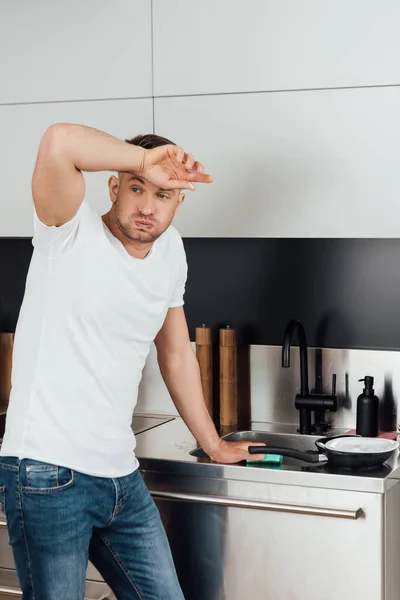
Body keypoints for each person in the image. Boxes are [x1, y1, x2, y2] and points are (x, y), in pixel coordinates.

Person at [0, 124, 264, 600]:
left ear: (179, 202)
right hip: (47, 472)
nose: (147, 206)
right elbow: (58, 142)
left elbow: (177, 352)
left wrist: (213, 442)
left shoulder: (171, 251)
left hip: (120, 476)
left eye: (163, 195)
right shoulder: (67, 232)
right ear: (113, 186)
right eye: (137, 188)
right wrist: (144, 159)